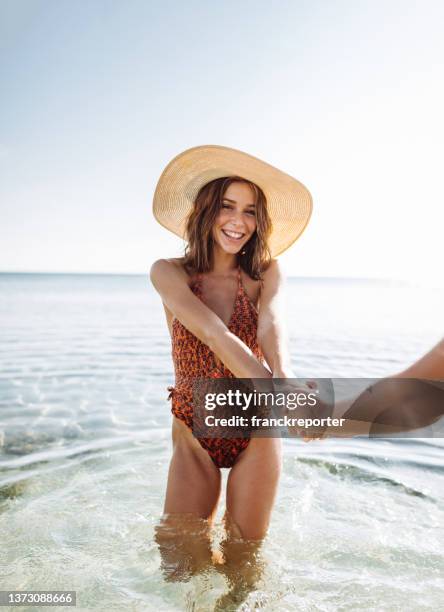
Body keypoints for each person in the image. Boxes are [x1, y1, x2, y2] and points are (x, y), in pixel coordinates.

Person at [149, 144, 313, 592]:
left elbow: (272, 323)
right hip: (194, 430)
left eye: (251, 211)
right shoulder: (169, 272)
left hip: (255, 428)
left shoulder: (266, 273)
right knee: (179, 568)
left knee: (244, 568)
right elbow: (215, 336)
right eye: (227, 207)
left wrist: (285, 378)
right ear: (206, 211)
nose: (238, 222)